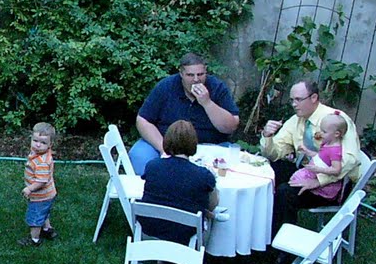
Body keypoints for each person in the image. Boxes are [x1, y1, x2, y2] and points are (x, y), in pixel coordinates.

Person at [259, 78, 362, 235]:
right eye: (292, 100)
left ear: (314, 98)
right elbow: (275, 153)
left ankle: (281, 248)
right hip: (309, 171)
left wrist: (318, 181)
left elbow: (350, 160)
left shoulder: (336, 119)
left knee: (285, 193)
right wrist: (267, 136)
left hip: (334, 184)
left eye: (299, 99)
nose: (294, 104)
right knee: (269, 173)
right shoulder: (296, 120)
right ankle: (259, 232)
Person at [129, 53, 240, 175]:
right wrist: (163, 149)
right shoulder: (166, 87)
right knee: (139, 154)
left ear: (206, 71)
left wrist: (207, 103)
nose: (196, 79)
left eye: (200, 74)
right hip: (168, 144)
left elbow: (231, 127)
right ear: (181, 74)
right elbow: (143, 120)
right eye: (190, 75)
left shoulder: (217, 87)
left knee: (233, 162)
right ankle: (152, 191)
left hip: (210, 145)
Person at [139, 120, 217, 242]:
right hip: (185, 234)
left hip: (150, 228)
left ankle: (161, 258)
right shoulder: (203, 175)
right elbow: (212, 205)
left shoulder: (152, 166)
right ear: (194, 143)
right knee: (211, 218)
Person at [287, 112, 356, 201]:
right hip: (315, 173)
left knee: (292, 185)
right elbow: (321, 157)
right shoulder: (327, 143)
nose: (320, 133)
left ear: (337, 134)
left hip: (323, 182)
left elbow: (336, 170)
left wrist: (319, 170)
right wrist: (307, 151)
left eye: (324, 132)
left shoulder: (335, 150)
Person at [22, 121, 58, 246]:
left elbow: (41, 181)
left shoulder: (42, 162)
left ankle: (34, 239)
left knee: (35, 217)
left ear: (50, 144)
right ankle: (48, 229)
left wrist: (30, 189)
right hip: (47, 195)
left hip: (40, 196)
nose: (38, 145)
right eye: (35, 140)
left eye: (43, 143)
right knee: (43, 212)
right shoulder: (38, 153)